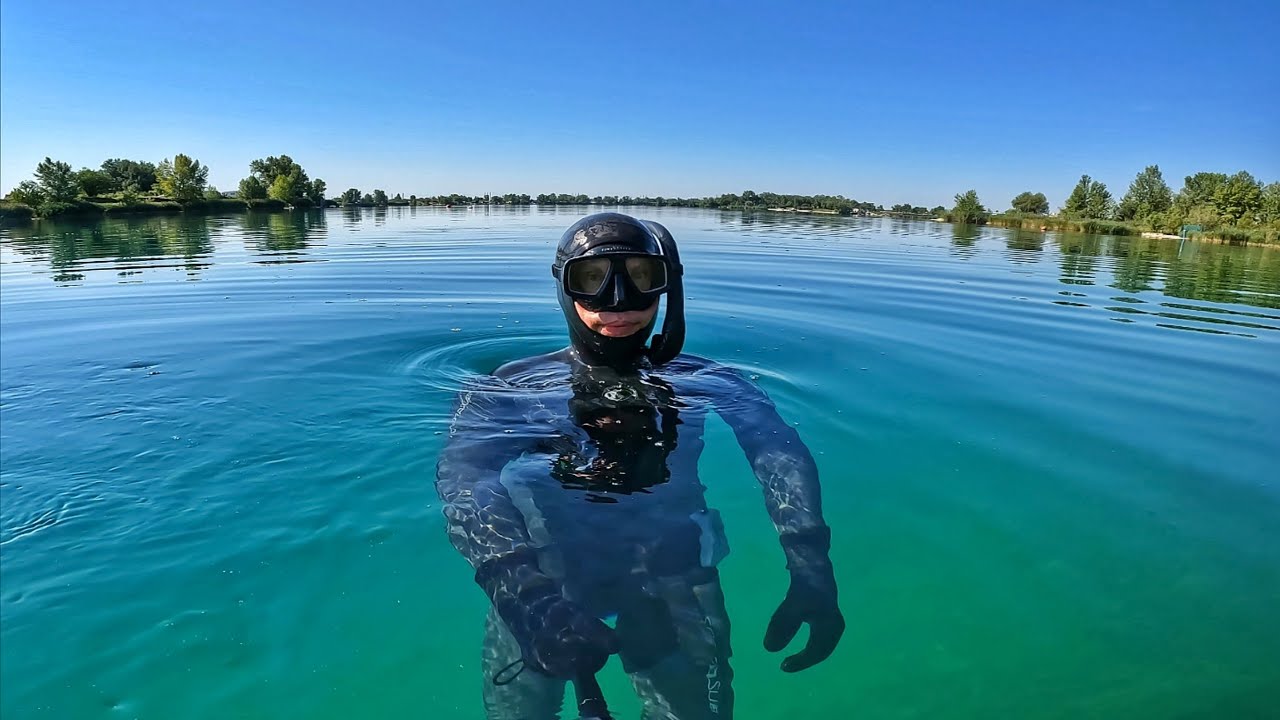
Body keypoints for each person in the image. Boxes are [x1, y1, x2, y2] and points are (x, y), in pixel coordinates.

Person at [436, 213, 844, 719]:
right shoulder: (511, 388)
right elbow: (465, 479)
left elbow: (778, 451)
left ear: (666, 284)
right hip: (544, 581)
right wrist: (520, 591)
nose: (619, 300)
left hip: (670, 573)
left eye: (641, 277)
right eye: (593, 279)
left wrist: (811, 565)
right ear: (564, 286)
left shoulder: (708, 380)